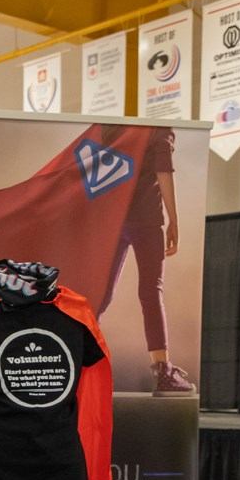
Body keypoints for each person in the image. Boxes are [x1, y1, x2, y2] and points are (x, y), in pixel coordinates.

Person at [97, 124, 193, 394]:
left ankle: (79, 364)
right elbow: (163, 171)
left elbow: (96, 172)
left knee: (101, 294)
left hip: (112, 218)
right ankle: (163, 372)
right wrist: (174, 219)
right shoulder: (158, 130)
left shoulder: (110, 128)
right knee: (151, 292)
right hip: (147, 220)